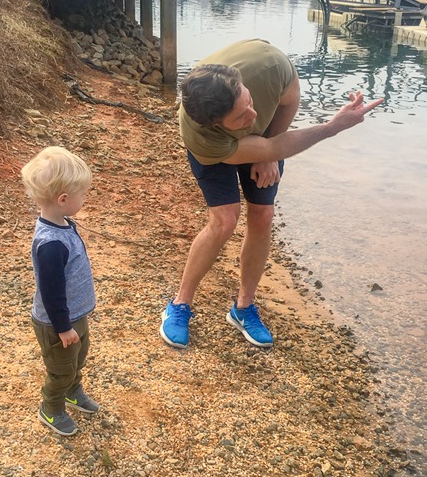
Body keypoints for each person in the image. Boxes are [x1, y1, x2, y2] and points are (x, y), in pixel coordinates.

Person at [160, 39, 383, 349]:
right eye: (240, 118)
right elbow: (267, 148)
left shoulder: (271, 66)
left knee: (263, 214)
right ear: (217, 124)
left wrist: (269, 148)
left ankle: (243, 308)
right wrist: (326, 129)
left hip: (266, 136)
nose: (252, 115)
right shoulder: (204, 136)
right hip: (223, 149)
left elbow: (288, 104)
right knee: (225, 220)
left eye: (249, 101)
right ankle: (180, 304)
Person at [21, 146, 99, 436]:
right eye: (83, 194)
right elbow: (51, 293)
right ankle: (51, 408)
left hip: (75, 315)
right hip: (57, 323)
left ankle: (72, 391)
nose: (85, 198)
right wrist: (64, 327)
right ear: (63, 199)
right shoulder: (50, 244)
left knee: (78, 358)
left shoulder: (64, 223)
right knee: (60, 368)